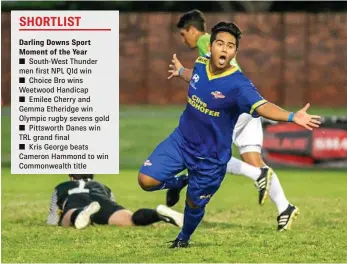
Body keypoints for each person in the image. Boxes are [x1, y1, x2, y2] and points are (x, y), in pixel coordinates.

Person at [138, 21, 320, 248]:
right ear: (211, 46)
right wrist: (180, 72)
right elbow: (194, 76)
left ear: (235, 52)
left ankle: (183, 240)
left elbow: (263, 106)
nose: (224, 49)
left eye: (230, 46)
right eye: (220, 43)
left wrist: (292, 116)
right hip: (181, 142)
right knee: (145, 180)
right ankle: (179, 181)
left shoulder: (239, 85)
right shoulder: (201, 62)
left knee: (193, 204)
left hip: (211, 159)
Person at [169, 9, 299, 231]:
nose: (184, 39)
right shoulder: (211, 47)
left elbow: (210, 79)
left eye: (183, 34)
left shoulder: (205, 41)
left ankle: (255, 175)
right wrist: (183, 71)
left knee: (210, 153)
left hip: (231, 107)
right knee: (253, 160)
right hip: (245, 108)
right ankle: (284, 207)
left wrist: (185, 73)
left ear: (192, 30)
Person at [47, 174, 183, 229]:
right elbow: (112, 202)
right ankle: (158, 214)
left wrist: (54, 223)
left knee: (70, 215)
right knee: (130, 218)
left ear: (71, 176)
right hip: (102, 201)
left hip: (76, 201)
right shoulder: (102, 186)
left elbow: (53, 217)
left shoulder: (61, 187)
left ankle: (81, 213)